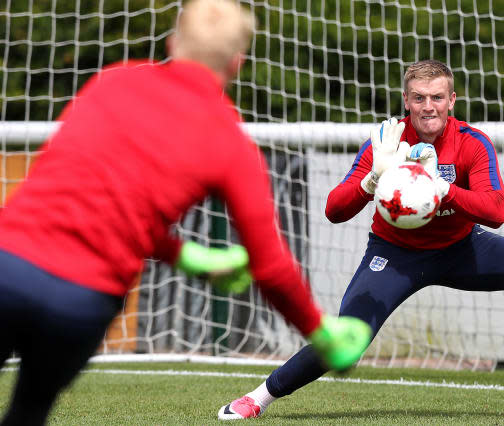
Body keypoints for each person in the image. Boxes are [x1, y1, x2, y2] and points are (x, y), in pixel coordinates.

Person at [0, 1, 371, 425]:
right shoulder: (231, 143)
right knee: (26, 413)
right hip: (81, 300)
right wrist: (322, 336)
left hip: (6, 265)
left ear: (173, 43)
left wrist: (184, 255)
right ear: (237, 62)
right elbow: (271, 267)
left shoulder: (111, 82)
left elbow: (84, 198)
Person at [218, 59, 504, 420]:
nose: (428, 107)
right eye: (419, 98)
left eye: (437, 97)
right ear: (406, 100)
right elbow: (333, 209)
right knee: (347, 338)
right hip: (395, 254)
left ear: (452, 100)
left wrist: (442, 189)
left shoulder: (472, 143)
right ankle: (257, 398)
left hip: (462, 248)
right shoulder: (386, 143)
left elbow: (497, 211)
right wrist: (371, 181)